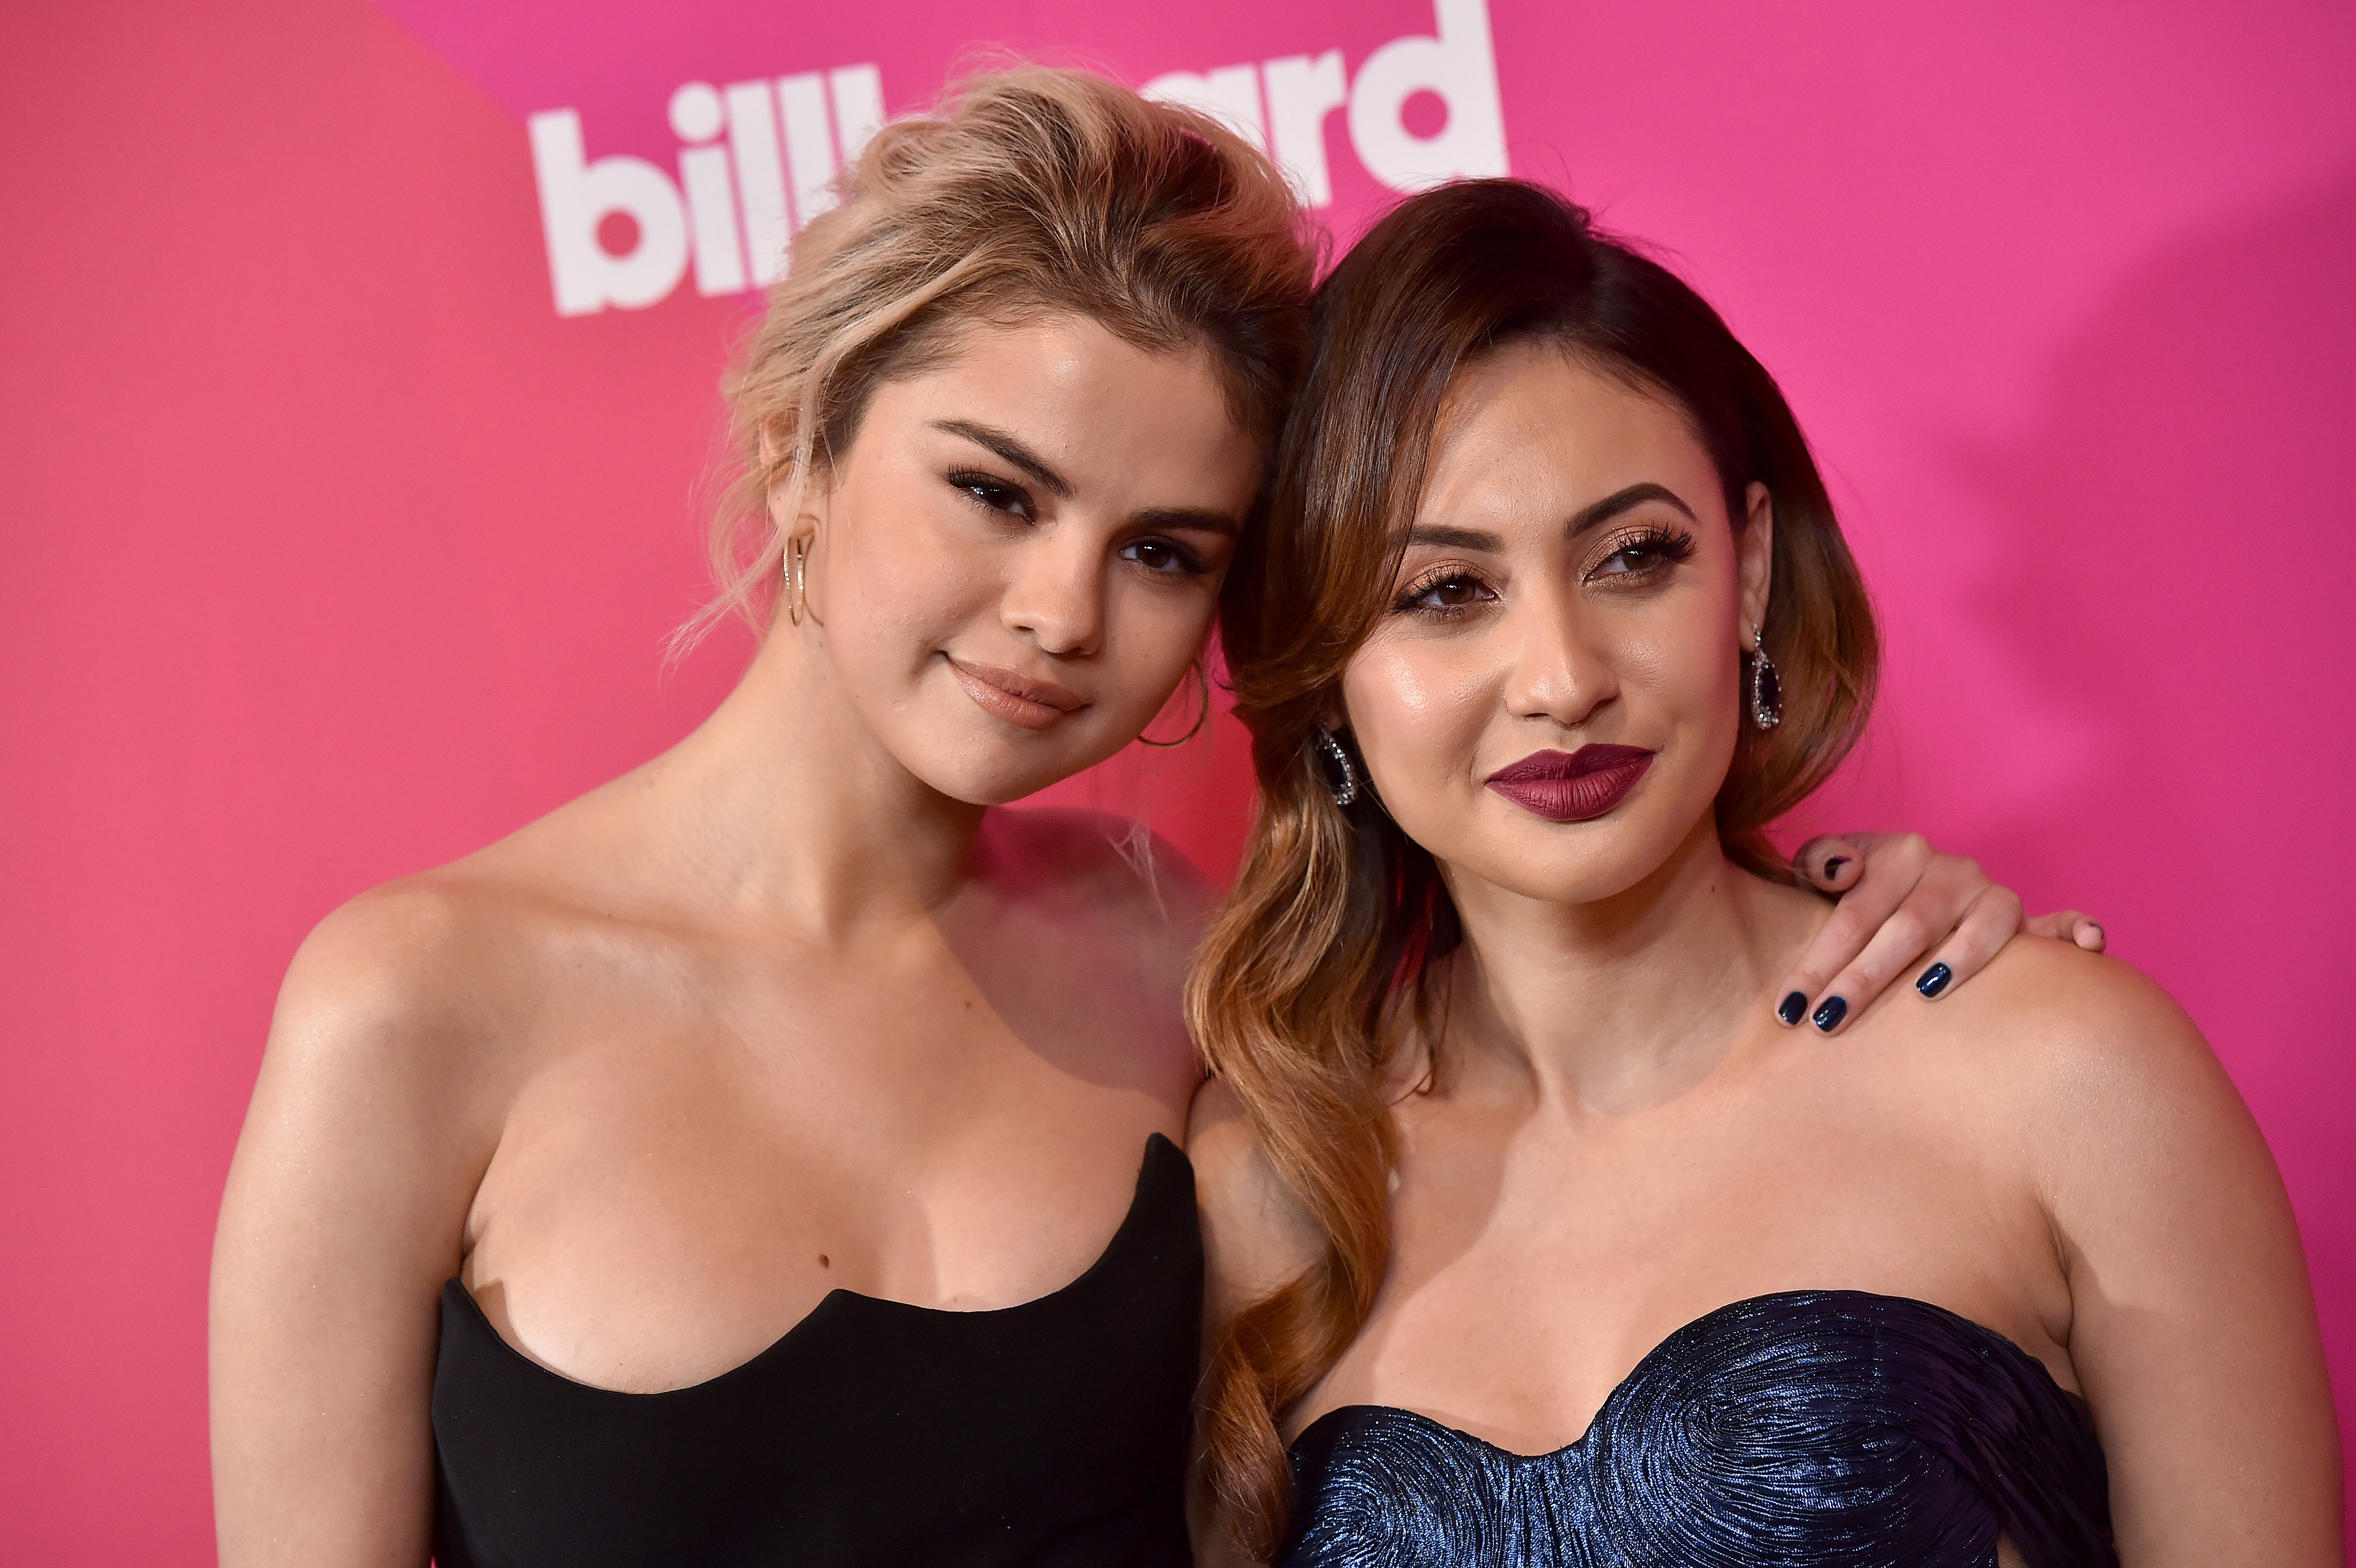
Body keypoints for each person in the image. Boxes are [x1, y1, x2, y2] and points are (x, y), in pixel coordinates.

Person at [210, 73, 2097, 1568]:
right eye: (995, 490)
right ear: (802, 444)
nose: (1060, 611)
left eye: (1163, 550)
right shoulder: (415, 1005)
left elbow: (1615, 1089)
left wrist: (1878, 902)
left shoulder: (1196, 973)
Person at [1187, 178, 2342, 1567]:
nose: (1564, 678)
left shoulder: (2065, 1079)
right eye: (1445, 592)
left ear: (1742, 577)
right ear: (1320, 672)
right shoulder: (1264, 1188)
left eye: (1633, 558)